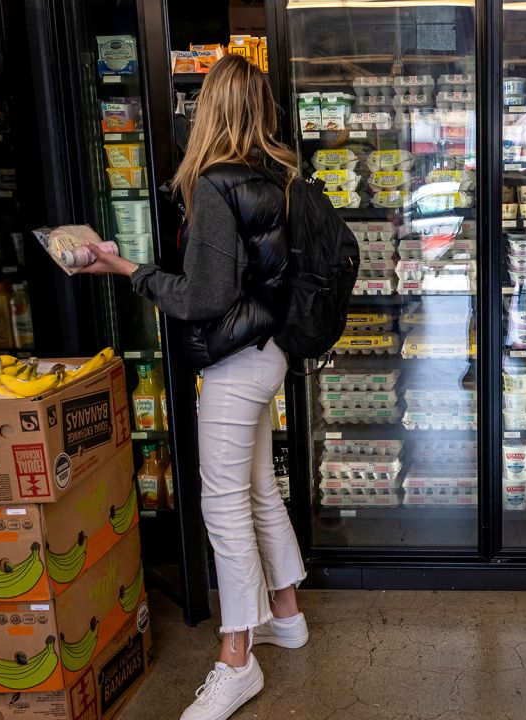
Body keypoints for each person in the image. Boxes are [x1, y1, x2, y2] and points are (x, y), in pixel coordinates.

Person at [81, 54, 305, 720]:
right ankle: (286, 615)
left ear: (209, 109)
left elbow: (205, 297)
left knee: (223, 508)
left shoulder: (214, 184)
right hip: (269, 355)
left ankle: (237, 662)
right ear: (260, 109)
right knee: (259, 489)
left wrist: (126, 268)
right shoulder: (275, 176)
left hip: (234, 364)